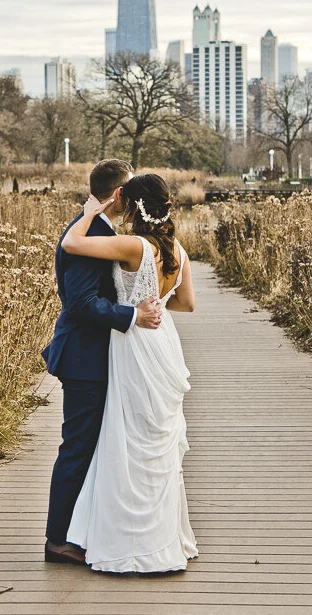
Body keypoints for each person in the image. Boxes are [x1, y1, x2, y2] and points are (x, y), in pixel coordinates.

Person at [61, 172, 198, 573]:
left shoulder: (134, 246)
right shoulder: (178, 250)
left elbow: (72, 244)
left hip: (135, 344)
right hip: (165, 347)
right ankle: (162, 539)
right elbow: (187, 303)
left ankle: (127, 538)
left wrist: (90, 211)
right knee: (158, 438)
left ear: (133, 206)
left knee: (128, 437)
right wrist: (155, 303)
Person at [42, 159, 163, 565]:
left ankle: (82, 530)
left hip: (96, 354)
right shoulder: (88, 230)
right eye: (128, 192)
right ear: (118, 195)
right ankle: (58, 540)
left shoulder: (97, 228)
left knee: (91, 447)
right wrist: (132, 317)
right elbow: (80, 303)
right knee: (77, 448)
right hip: (83, 357)